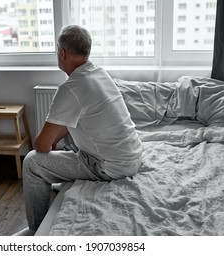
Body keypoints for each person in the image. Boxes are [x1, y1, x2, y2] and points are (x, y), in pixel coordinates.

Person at [14, 25, 142, 236]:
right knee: (67, 139)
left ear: (62, 53)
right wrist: (55, 137)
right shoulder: (99, 72)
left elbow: (41, 145)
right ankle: (59, 177)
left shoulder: (70, 88)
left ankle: (35, 230)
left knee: (31, 162)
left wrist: (49, 140)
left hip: (110, 167)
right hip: (132, 155)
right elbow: (68, 126)